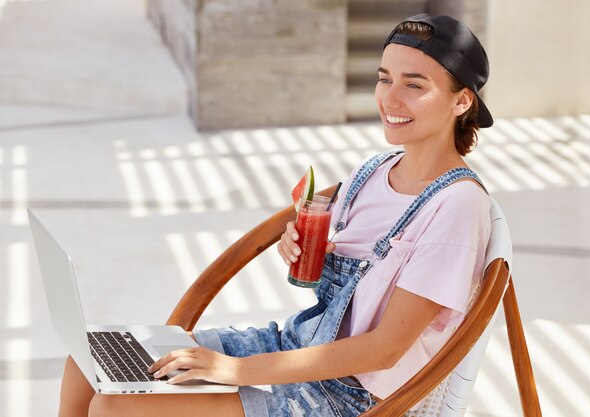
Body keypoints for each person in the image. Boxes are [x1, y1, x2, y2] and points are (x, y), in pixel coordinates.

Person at [58, 13, 494, 417]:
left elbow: (383, 350)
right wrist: (305, 247)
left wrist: (234, 370)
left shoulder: (455, 206)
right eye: (384, 78)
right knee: (86, 359)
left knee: (115, 406)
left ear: (460, 102)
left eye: (414, 85)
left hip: (347, 397)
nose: (390, 98)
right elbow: (346, 279)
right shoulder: (373, 172)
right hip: (296, 346)